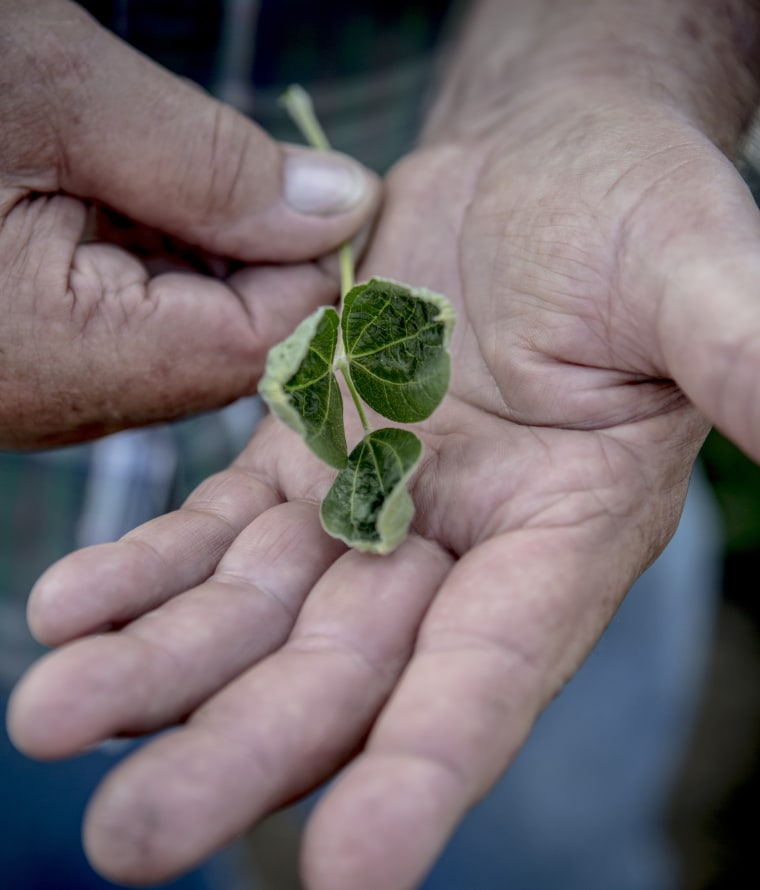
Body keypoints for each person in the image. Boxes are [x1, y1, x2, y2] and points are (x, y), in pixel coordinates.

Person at [4, 0, 760, 889]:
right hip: (19, 536)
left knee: (533, 834)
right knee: (66, 832)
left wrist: (603, 66)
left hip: (538, 481)